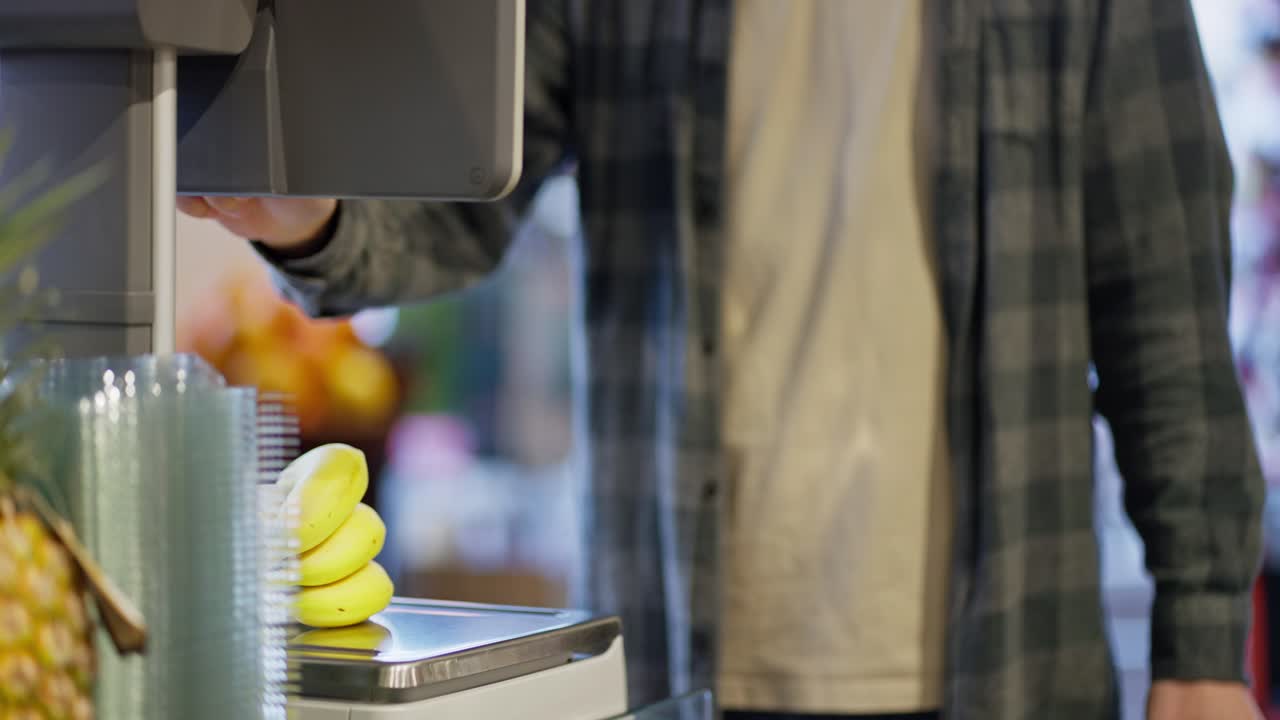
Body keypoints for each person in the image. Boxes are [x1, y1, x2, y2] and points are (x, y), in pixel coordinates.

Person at [180, 1, 1266, 718]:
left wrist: (1202, 644)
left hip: (1001, 664)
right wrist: (316, 216)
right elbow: (460, 201)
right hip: (679, 661)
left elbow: (1164, 320)